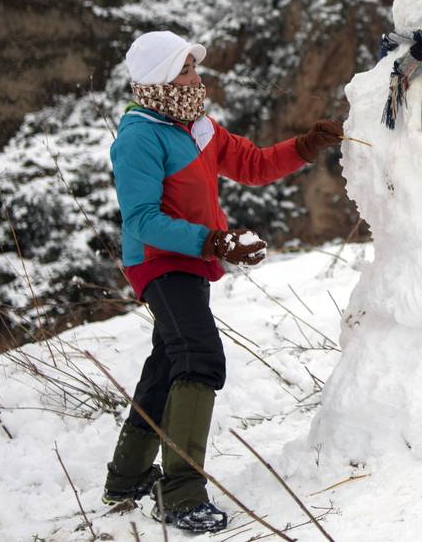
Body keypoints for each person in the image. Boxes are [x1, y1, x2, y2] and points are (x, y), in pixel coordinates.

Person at [100, 30, 341, 534]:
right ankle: (181, 495)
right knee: (199, 356)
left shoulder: (199, 128)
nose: (197, 77)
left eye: (194, 67)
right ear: (160, 78)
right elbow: (140, 219)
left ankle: (126, 478)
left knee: (169, 360)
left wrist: (305, 146)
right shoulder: (140, 136)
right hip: (159, 262)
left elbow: (253, 165)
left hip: (190, 260)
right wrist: (217, 242)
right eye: (185, 70)